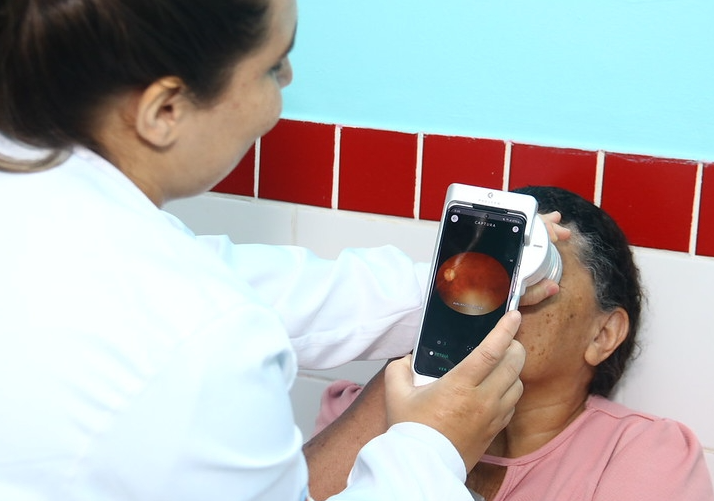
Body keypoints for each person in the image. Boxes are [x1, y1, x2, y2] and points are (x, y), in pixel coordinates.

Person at [0, 1, 567, 500]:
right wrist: (433, 448)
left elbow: (260, 286)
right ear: (164, 110)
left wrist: (467, 279)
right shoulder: (203, 341)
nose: (289, 78)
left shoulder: (58, 216)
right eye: (273, 66)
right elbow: (206, 317)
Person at [307, 186, 714, 501]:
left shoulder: (642, 453)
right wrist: (429, 343)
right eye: (495, 267)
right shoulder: (364, 408)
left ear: (602, 334)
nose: (502, 291)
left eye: (538, 274)